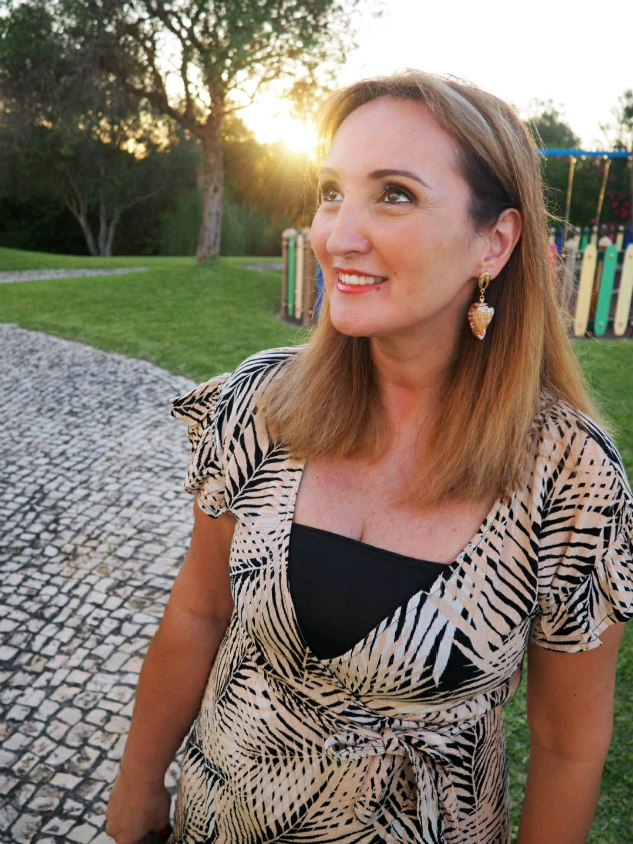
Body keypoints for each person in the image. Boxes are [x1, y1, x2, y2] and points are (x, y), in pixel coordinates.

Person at [106, 71, 633, 844]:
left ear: (493, 242)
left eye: (393, 195)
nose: (336, 236)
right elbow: (198, 609)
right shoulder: (259, 404)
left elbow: (567, 745)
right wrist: (137, 780)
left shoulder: (568, 478)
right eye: (331, 192)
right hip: (217, 818)